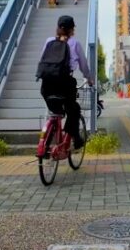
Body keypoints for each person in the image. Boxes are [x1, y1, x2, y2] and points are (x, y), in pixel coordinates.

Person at [37, 15, 93, 149]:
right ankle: (76, 138)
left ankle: (45, 145)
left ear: (58, 28)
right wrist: (89, 79)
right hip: (65, 83)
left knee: (55, 113)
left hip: (46, 84)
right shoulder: (75, 43)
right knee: (74, 110)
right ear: (72, 29)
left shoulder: (49, 41)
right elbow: (84, 66)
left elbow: (42, 59)